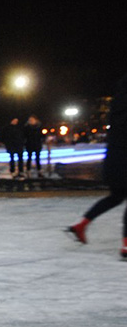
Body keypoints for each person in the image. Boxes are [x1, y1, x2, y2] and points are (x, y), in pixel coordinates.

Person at [69, 74, 127, 259]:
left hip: (113, 163)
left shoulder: (116, 109)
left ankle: (81, 224)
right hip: (124, 161)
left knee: (116, 197)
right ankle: (126, 246)